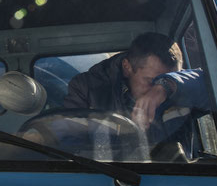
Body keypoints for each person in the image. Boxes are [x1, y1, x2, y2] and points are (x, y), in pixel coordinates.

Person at [63, 32, 209, 157]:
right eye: (151, 81)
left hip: (178, 182)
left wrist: (167, 86)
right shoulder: (87, 88)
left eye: (166, 79)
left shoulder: (181, 87)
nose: (156, 89)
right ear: (127, 68)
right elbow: (69, 147)